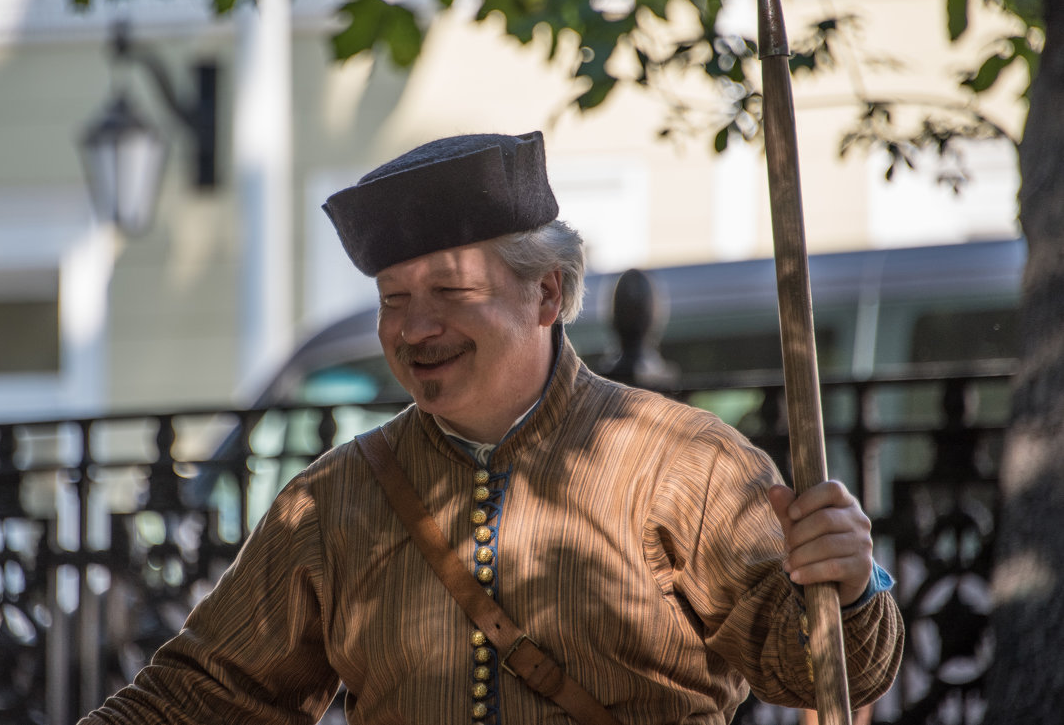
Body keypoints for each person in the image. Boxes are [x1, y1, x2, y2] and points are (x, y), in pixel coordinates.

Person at [79, 131, 903, 725]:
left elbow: (825, 671)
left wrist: (848, 583)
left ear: (545, 295)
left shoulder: (688, 464)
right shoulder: (331, 502)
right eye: (393, 298)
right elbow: (205, 698)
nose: (414, 327)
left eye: (450, 290)